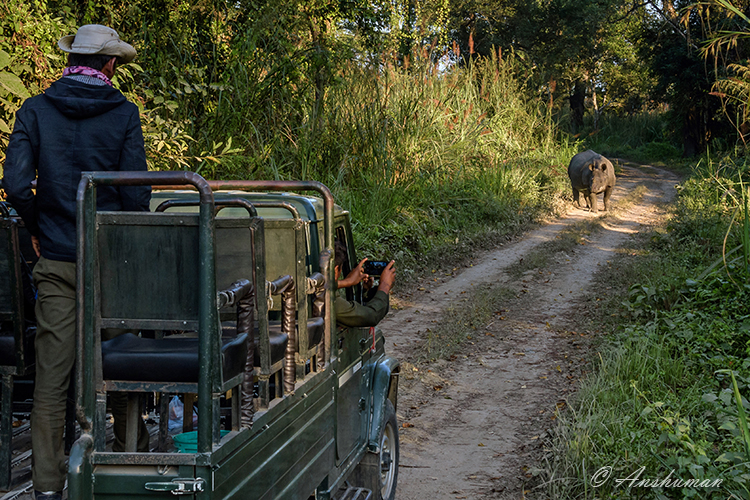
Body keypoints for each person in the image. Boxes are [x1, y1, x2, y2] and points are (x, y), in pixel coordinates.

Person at [1, 25, 151, 500]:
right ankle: (129, 464)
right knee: (122, 366)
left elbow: (16, 184)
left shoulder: (36, 109)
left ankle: (46, 485)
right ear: (109, 65)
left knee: (52, 377)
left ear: (69, 63)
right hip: (110, 262)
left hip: (59, 259)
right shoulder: (125, 114)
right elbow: (137, 195)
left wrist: (39, 229)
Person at [334, 240, 396, 327]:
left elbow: (323, 285)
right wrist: (385, 286)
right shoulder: (330, 301)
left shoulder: (312, 288)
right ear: (336, 271)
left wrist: (346, 282)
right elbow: (371, 316)